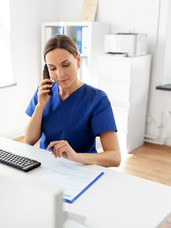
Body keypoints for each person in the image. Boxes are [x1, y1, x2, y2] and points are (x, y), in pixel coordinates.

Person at [25, 34, 121, 167]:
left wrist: (76, 156)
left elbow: (115, 157)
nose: (60, 74)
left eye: (65, 65)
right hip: (46, 167)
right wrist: (40, 106)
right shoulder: (44, 93)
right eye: (52, 68)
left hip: (81, 169)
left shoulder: (97, 99)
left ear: (78, 60)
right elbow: (29, 140)